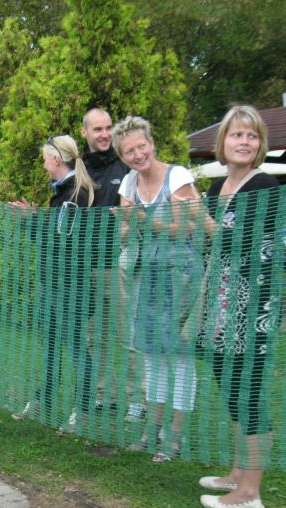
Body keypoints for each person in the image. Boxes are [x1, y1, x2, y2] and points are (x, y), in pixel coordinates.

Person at [195, 106, 281, 508]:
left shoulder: (263, 185)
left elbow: (241, 243)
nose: (244, 142)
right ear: (223, 141)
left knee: (248, 392)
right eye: (236, 134)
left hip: (252, 307)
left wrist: (201, 219)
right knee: (230, 387)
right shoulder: (218, 187)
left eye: (251, 135)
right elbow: (209, 243)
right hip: (220, 303)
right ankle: (237, 472)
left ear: (260, 143)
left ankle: (250, 493)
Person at [112, 116, 203, 462]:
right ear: (122, 156)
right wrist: (127, 225)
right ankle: (152, 431)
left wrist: (144, 220)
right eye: (129, 151)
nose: (138, 155)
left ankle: (174, 438)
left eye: (142, 146)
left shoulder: (177, 177)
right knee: (152, 357)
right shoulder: (129, 183)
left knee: (179, 358)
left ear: (152, 143)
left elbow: (188, 228)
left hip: (181, 275)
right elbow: (125, 233)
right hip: (147, 275)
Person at [9, 135, 96, 432]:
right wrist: (34, 217)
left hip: (71, 287)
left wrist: (30, 220)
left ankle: (83, 411)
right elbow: (51, 235)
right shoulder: (60, 194)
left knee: (76, 348)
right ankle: (43, 399)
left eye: (45, 159)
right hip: (52, 284)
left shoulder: (75, 195)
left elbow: (62, 242)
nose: (44, 165)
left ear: (56, 160)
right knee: (50, 345)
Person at [80, 108, 142, 417]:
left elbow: (135, 216)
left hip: (118, 263)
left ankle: (137, 400)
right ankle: (106, 395)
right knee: (96, 337)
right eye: (98, 129)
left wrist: (122, 233)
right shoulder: (79, 168)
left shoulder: (124, 166)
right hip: (85, 266)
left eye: (108, 128)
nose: (104, 134)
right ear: (85, 133)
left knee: (127, 334)